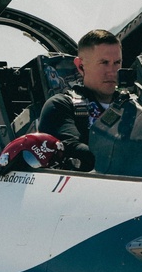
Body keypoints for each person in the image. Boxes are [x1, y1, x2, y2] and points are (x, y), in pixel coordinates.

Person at [35, 29, 124, 172]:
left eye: (117, 62)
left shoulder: (134, 107)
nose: (112, 71)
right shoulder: (61, 106)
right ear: (81, 66)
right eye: (104, 63)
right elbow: (72, 148)